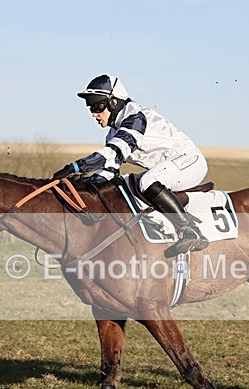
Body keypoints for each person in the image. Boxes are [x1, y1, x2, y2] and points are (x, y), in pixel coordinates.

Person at [53, 74, 209, 257]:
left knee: (147, 181)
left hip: (189, 162)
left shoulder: (135, 117)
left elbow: (113, 153)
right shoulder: (112, 134)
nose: (93, 113)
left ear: (113, 102)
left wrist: (75, 167)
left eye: (97, 105)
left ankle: (191, 231)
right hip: (169, 168)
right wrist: (82, 184)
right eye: (90, 107)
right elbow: (108, 172)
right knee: (124, 184)